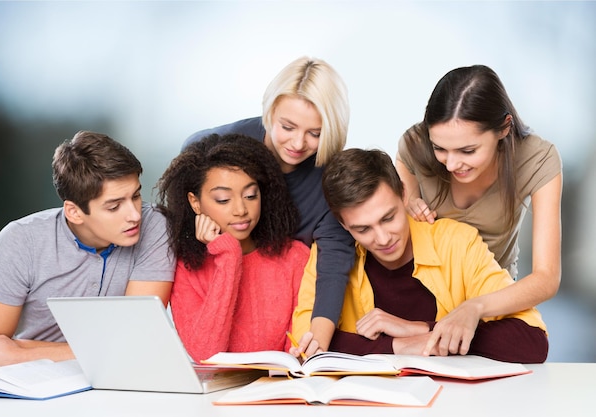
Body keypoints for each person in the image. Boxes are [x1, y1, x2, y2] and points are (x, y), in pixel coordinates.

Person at [291, 148, 548, 363]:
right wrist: (401, 346)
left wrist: (422, 330)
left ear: (404, 194)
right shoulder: (329, 254)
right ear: (343, 224)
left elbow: (531, 341)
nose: (382, 239)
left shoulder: (457, 242)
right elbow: (309, 343)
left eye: (388, 218)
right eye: (363, 229)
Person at [181, 56, 355, 354]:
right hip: (218, 293)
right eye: (287, 126)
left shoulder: (329, 180)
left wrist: (319, 336)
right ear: (270, 111)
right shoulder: (220, 145)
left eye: (315, 133)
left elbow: (335, 261)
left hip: (283, 307)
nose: (298, 143)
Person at [0, 131, 176, 371]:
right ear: (74, 212)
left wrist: (20, 353)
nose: (134, 214)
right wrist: (105, 352)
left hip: (118, 379)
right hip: (33, 382)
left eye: (136, 195)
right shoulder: (20, 240)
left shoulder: (155, 225)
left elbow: (134, 342)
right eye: (114, 206)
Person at [395, 65, 562, 355]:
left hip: (490, 299)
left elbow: (547, 277)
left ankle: (427, 333)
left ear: (504, 128)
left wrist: (474, 308)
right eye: (440, 149)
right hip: (424, 294)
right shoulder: (415, 145)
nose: (450, 164)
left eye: (467, 151)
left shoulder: (538, 159)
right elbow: (402, 171)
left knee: (526, 345)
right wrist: (408, 200)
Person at [156, 133, 310, 363]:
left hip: (280, 392)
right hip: (215, 396)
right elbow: (206, 354)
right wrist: (228, 255)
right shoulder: (186, 267)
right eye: (223, 199)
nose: (241, 209)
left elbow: (297, 355)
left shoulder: (294, 257)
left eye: (250, 195)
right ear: (195, 202)